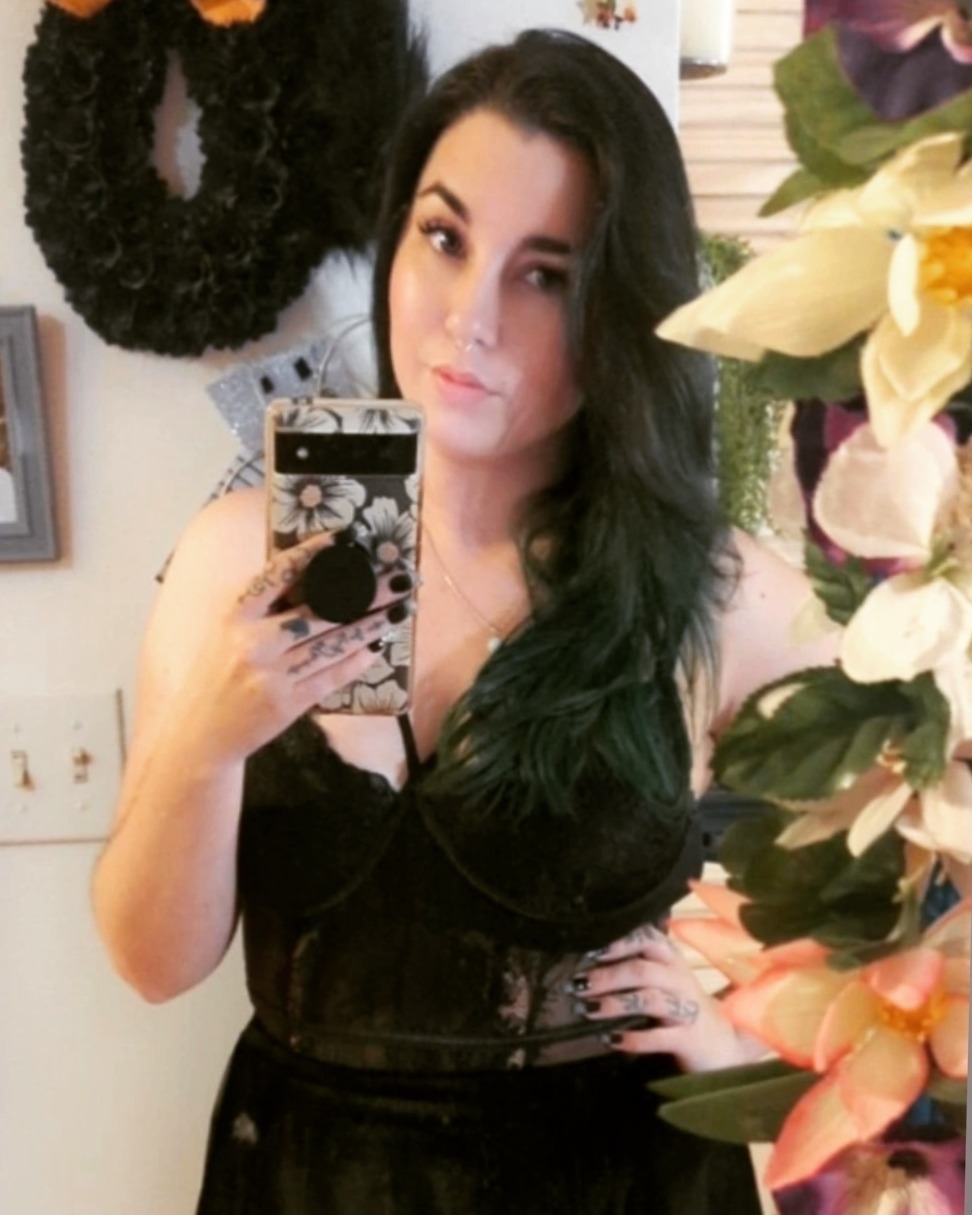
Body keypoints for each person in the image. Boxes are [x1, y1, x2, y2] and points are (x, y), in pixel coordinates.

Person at [93, 28, 838, 1214]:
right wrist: (206, 741)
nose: (468, 317)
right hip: (305, 1175)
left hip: (614, 1178)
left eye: (547, 274)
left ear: (620, 305)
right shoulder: (247, 552)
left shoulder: (708, 587)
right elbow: (153, 965)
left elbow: (921, 857)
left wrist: (747, 1046)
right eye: (445, 238)